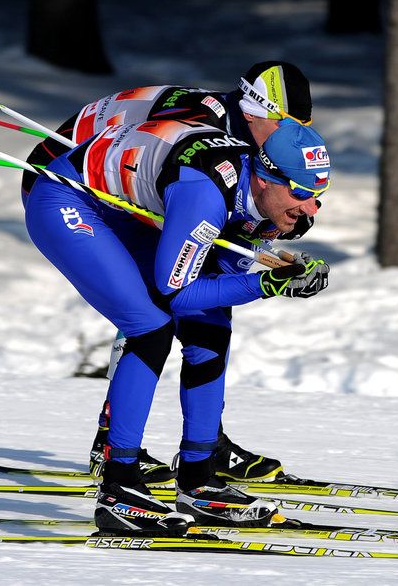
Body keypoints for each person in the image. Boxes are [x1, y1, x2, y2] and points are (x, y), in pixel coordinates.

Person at [23, 115, 332, 533]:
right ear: (264, 179)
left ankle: (199, 478)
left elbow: (230, 258)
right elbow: (178, 292)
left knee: (210, 326)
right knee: (149, 325)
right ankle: (119, 486)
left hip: (125, 207)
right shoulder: (202, 193)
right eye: (302, 193)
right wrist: (267, 284)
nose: (312, 209)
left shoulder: (252, 190)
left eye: (318, 195)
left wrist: (277, 263)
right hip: (69, 201)